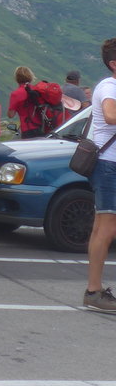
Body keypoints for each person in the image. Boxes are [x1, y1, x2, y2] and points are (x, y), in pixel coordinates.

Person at [83, 38, 116, 311]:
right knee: (106, 230)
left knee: (99, 229)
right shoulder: (110, 86)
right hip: (109, 166)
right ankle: (94, 290)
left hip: (107, 165)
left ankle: (94, 289)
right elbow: (109, 115)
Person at [7, 66, 42, 139]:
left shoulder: (16, 94)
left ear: (17, 78)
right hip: (42, 127)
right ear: (30, 76)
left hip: (27, 129)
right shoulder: (37, 89)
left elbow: (11, 115)